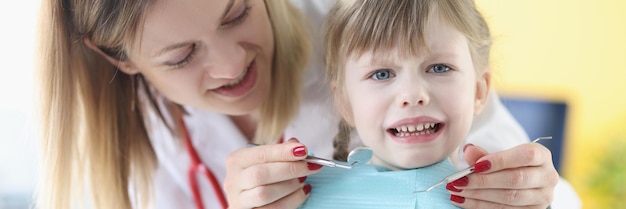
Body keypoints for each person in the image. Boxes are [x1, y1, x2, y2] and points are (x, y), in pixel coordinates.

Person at [36, 0, 564, 209]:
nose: (229, 65)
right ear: (119, 58)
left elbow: (551, 194)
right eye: (181, 56)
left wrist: (534, 193)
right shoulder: (127, 147)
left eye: (236, 14)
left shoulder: (368, 26)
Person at [295, 0, 517, 208]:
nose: (412, 95)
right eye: (381, 74)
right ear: (345, 103)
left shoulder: (509, 201)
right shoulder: (300, 198)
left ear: (479, 91)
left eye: (439, 68)